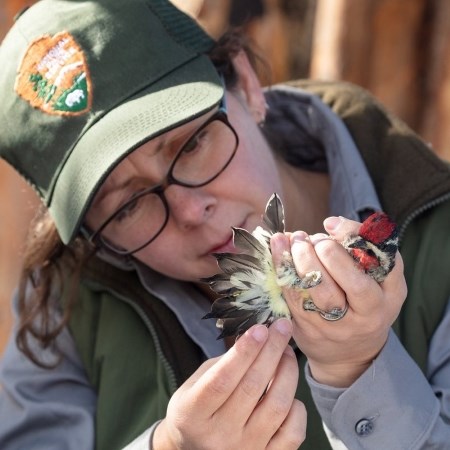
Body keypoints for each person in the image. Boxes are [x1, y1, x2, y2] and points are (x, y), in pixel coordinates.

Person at [0, 0, 449, 449]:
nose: (190, 211)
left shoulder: (440, 238)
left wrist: (361, 371)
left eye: (192, 143)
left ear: (249, 86)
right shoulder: (65, 297)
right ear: (88, 236)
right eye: (128, 206)